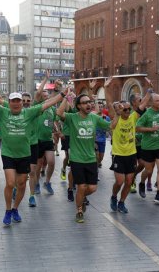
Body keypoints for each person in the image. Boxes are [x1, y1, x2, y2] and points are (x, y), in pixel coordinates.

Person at [0, 76, 67, 226]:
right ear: (10, 103)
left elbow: (47, 103)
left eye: (19, 101)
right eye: (14, 101)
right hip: (8, 154)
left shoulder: (29, 112)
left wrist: (63, 94)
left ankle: (15, 208)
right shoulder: (3, 111)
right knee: (10, 183)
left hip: (25, 154)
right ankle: (7, 210)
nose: (17, 103)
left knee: (21, 184)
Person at [57, 92, 111, 223]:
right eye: (85, 102)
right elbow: (59, 113)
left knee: (92, 188)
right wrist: (65, 96)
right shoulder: (72, 117)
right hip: (76, 159)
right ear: (78, 106)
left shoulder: (94, 118)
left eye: (89, 102)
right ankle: (79, 211)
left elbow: (110, 126)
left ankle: (79, 198)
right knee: (81, 187)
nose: (89, 104)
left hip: (91, 159)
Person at [108, 86, 151, 213]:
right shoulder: (115, 119)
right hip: (118, 154)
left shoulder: (133, 117)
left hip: (131, 154)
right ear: (119, 110)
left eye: (128, 109)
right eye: (124, 109)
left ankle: (122, 202)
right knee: (120, 181)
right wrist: (106, 87)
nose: (127, 111)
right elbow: (110, 104)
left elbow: (143, 104)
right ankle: (114, 196)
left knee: (128, 181)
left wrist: (150, 91)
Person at [136, 93, 159, 204]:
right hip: (148, 147)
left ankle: (158, 194)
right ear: (152, 103)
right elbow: (137, 128)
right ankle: (141, 183)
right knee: (149, 170)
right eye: (158, 100)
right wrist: (151, 129)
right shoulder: (147, 114)